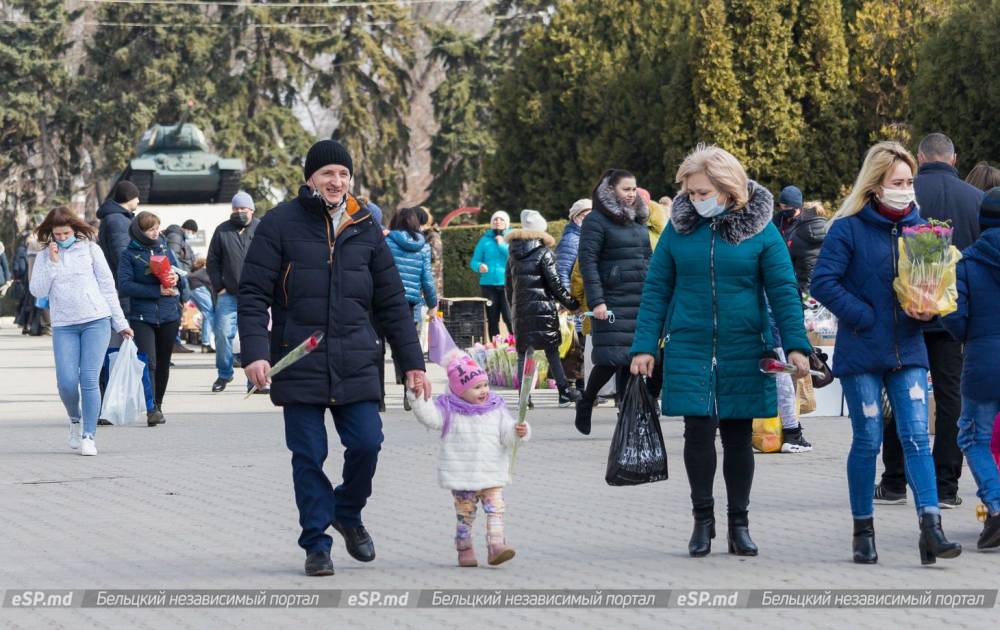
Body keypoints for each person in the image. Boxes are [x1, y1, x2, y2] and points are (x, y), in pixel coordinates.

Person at [238, 139, 429, 577]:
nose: (336, 181)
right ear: (310, 179)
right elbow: (251, 295)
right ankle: (316, 544)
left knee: (367, 443)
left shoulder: (366, 227)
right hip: (298, 359)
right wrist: (254, 353)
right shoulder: (279, 224)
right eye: (327, 173)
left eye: (342, 174)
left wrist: (412, 363)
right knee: (309, 456)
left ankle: (347, 510)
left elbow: (393, 303)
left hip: (357, 356)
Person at [630, 145, 811, 558]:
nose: (695, 200)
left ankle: (739, 523)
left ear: (729, 189)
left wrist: (798, 346)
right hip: (690, 342)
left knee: (736, 435)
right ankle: (702, 520)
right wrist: (644, 346)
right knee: (697, 431)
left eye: (702, 192)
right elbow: (657, 288)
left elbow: (783, 289)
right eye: (690, 193)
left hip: (745, 343)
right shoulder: (680, 230)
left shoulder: (761, 230)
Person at [811, 141, 962, 565]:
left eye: (910, 181)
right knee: (868, 438)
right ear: (875, 185)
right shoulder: (849, 228)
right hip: (862, 349)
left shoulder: (923, 230)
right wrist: (864, 315)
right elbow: (824, 281)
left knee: (916, 435)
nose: (906, 189)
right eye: (898, 182)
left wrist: (929, 305)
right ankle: (863, 530)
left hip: (909, 346)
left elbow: (933, 282)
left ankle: (931, 527)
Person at [876, 133, 985, 509]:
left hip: (904, 312)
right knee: (951, 395)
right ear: (954, 159)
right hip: (953, 314)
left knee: (899, 391)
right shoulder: (976, 199)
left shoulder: (904, 191)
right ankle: (946, 484)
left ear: (919, 158)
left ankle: (893, 480)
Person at [407, 353, 530, 567]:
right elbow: (429, 416)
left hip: (491, 473)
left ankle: (496, 546)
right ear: (460, 391)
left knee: (496, 509)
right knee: (466, 515)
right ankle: (464, 548)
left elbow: (507, 437)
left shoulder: (496, 409)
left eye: (485, 385)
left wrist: (519, 432)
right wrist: (417, 397)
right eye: (476, 387)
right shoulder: (450, 411)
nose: (484, 391)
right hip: (462, 476)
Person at [28, 207, 133, 456]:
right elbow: (37, 291)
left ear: (75, 230)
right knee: (66, 382)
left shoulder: (91, 250)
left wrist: (120, 323)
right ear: (51, 234)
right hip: (64, 325)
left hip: (96, 320)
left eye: (66, 233)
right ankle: (74, 419)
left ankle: (89, 435)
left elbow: (108, 287)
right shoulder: (45, 256)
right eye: (58, 235)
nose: (63, 238)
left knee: (88, 379)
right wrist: (53, 263)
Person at [943, 187, 1000, 549]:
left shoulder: (967, 263)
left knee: (973, 437)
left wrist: (968, 335)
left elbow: (955, 317)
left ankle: (996, 506)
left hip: (983, 362)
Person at [575, 169, 651, 435]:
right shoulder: (596, 220)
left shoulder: (638, 219)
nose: (631, 194)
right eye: (625, 189)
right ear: (610, 191)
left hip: (639, 296)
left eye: (634, 189)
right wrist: (597, 300)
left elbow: (647, 257)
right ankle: (586, 400)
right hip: (612, 299)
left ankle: (626, 415)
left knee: (632, 359)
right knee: (610, 357)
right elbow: (588, 262)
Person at [505, 209, 582, 406]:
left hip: (520, 310)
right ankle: (564, 391)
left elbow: (508, 286)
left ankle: (524, 397)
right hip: (543, 310)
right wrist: (572, 304)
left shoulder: (512, 254)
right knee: (552, 352)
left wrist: (513, 306)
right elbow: (555, 285)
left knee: (524, 353)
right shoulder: (544, 253)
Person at [117, 211, 182, 427]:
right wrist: (156, 291)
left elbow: (178, 272)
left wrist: (176, 277)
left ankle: (159, 404)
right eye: (151, 229)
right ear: (139, 231)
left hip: (169, 314)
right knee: (149, 363)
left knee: (164, 363)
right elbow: (124, 285)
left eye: (157, 228)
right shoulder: (129, 254)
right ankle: (151, 408)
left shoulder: (163, 248)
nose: (156, 232)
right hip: (142, 316)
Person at [385, 207, 438, 409]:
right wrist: (433, 303)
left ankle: (379, 397)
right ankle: (408, 393)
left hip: (388, 298)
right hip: (411, 302)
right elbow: (427, 278)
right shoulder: (423, 245)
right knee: (407, 344)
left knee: (380, 345)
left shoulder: (387, 242)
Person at [207, 191, 260, 393]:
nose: (239, 212)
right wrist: (218, 286)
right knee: (221, 334)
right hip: (228, 294)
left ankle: (254, 381)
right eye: (236, 208)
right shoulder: (222, 230)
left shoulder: (261, 228)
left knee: (253, 337)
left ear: (251, 210)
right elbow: (213, 260)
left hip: (255, 294)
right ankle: (224, 374)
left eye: (243, 209)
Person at [555, 199, 592, 392]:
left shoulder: (585, 237)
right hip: (575, 304)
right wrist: (571, 303)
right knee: (576, 347)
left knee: (582, 347)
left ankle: (582, 386)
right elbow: (562, 273)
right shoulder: (571, 240)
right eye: (585, 215)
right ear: (576, 217)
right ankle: (577, 387)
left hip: (582, 303)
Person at [470, 211, 513, 339]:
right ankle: (495, 349)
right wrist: (479, 266)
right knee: (492, 318)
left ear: (507, 223)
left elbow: (515, 257)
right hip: (488, 286)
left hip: (507, 284)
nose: (498, 221)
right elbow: (474, 261)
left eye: (501, 219)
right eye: (495, 219)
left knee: (509, 317)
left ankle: (517, 346)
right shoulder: (484, 241)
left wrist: (502, 245)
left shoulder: (512, 238)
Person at [97, 181, 140, 286]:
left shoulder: (120, 218)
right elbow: (121, 251)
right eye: (136, 197)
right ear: (129, 197)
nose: (138, 201)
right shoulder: (117, 220)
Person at [187, 256, 215, 353]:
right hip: (200, 288)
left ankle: (206, 343)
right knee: (209, 313)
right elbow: (211, 284)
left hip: (194, 288)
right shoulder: (205, 270)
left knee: (206, 314)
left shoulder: (196, 271)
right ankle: (206, 343)